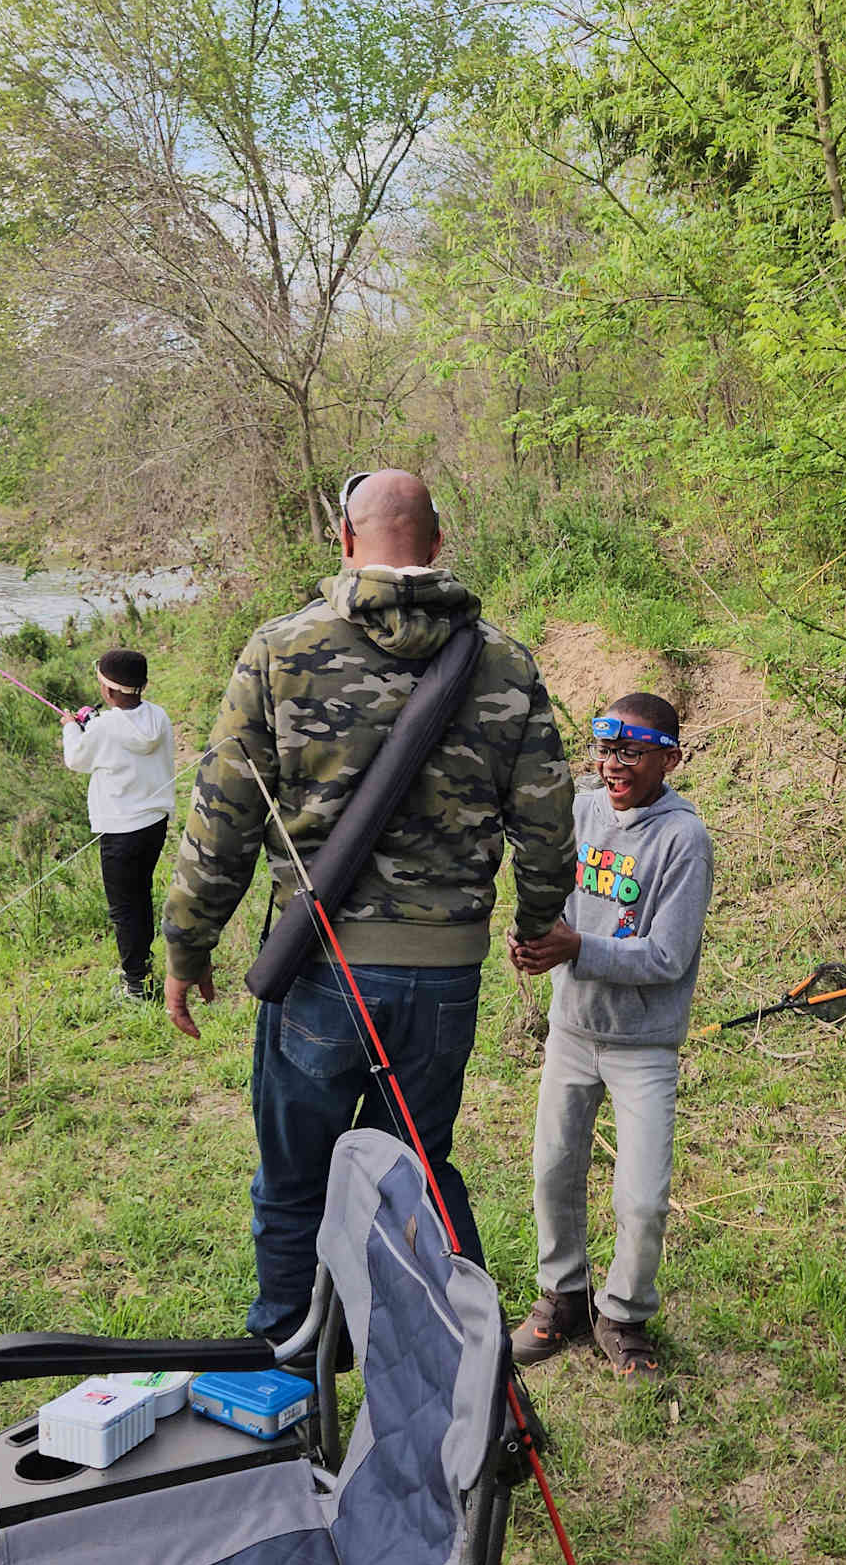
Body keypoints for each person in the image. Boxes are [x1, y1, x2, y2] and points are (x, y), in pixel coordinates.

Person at [161, 469, 575, 1343]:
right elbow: (546, 819)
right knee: (414, 1174)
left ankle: (288, 1365)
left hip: (321, 969)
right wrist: (539, 925)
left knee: (294, 1180)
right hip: (445, 976)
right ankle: (431, 1362)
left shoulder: (279, 649)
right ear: (436, 539)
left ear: (345, 541)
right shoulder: (504, 661)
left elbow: (224, 815)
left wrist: (187, 944)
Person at [509, 692, 714, 1382]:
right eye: (605, 750)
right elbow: (556, 902)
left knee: (643, 1197)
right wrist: (535, 935)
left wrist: (574, 948)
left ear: (670, 758)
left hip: (643, 1046)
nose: (612, 765)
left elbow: (667, 957)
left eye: (630, 752)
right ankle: (562, 1296)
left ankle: (623, 1314)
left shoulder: (684, 839)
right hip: (571, 1030)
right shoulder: (582, 808)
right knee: (553, 1171)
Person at [61, 649, 176, 1004]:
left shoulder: (104, 727)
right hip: (154, 824)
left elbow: (76, 759)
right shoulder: (158, 716)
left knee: (124, 907)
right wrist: (90, 725)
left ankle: (137, 985)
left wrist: (71, 728)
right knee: (139, 894)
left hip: (120, 832)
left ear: (109, 692)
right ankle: (139, 963)